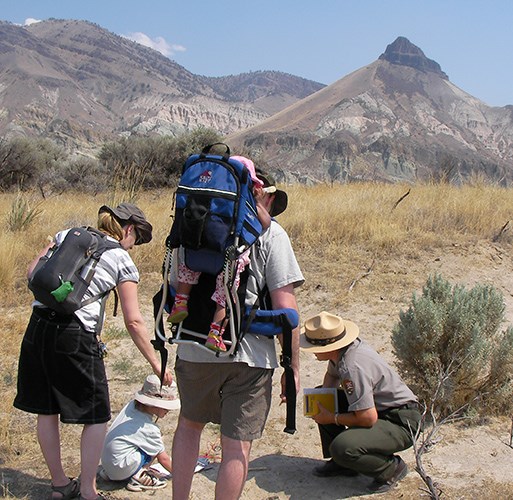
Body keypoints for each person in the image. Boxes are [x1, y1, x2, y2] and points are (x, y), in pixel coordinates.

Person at [13, 203, 172, 500]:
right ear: (128, 229)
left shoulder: (66, 235)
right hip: (76, 336)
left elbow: (32, 272)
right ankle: (88, 491)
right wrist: (157, 364)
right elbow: (134, 321)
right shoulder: (120, 259)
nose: (134, 246)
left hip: (37, 328)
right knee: (96, 416)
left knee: (46, 410)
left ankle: (60, 485)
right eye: (136, 238)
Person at [171, 168, 304, 500]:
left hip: (193, 346)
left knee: (188, 426)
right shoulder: (272, 234)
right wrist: (293, 369)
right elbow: (287, 312)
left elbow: (176, 286)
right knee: (235, 447)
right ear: (266, 195)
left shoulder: (192, 225)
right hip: (250, 354)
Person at [299, 311, 422, 494]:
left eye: (313, 347)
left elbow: (367, 418)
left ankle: (390, 469)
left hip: (401, 421)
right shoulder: (343, 351)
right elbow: (332, 375)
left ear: (327, 347)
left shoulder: (352, 366)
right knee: (323, 398)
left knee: (342, 447)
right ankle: (343, 464)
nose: (312, 352)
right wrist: (322, 400)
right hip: (383, 411)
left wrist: (332, 418)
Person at [167, 155, 272, 353]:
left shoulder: (208, 197)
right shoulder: (245, 200)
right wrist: (258, 203)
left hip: (196, 248)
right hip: (227, 255)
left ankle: (180, 303)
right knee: (225, 293)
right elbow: (265, 224)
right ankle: (215, 333)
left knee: (187, 270)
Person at [99, 374, 179, 492]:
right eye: (166, 407)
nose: (169, 410)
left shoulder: (131, 407)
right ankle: (139, 476)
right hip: (120, 469)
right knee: (157, 443)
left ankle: (114, 473)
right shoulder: (148, 428)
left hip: (107, 464)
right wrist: (181, 475)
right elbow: (164, 459)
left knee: (145, 443)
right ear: (155, 404)